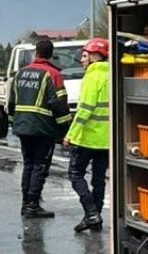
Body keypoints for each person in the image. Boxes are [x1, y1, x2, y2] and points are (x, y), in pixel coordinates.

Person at [8, 39, 71, 219]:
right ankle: (33, 205)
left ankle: (25, 203)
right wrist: (65, 129)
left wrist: (15, 123)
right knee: (40, 165)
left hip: (23, 127)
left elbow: (12, 102)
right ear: (51, 54)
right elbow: (58, 104)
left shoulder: (20, 73)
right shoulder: (53, 74)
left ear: (36, 53)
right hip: (43, 128)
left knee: (28, 164)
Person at [65, 38, 110, 233]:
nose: (82, 60)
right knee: (98, 179)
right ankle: (95, 218)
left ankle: (91, 212)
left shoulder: (93, 77)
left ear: (94, 57)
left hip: (88, 138)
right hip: (106, 140)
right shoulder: (111, 75)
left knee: (75, 175)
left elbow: (85, 110)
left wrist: (70, 135)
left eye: (84, 56)